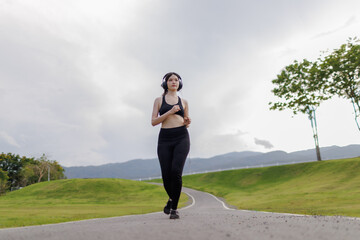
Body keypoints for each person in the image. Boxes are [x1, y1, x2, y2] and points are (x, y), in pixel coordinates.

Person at [151, 72, 191, 219]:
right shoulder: (159, 100)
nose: (174, 82)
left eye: (176, 80)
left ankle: (174, 209)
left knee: (176, 172)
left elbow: (186, 123)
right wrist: (169, 111)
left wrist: (187, 122)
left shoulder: (184, 101)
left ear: (179, 83)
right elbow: (154, 122)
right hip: (165, 139)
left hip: (181, 137)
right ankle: (171, 199)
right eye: (170, 80)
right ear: (165, 83)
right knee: (166, 176)